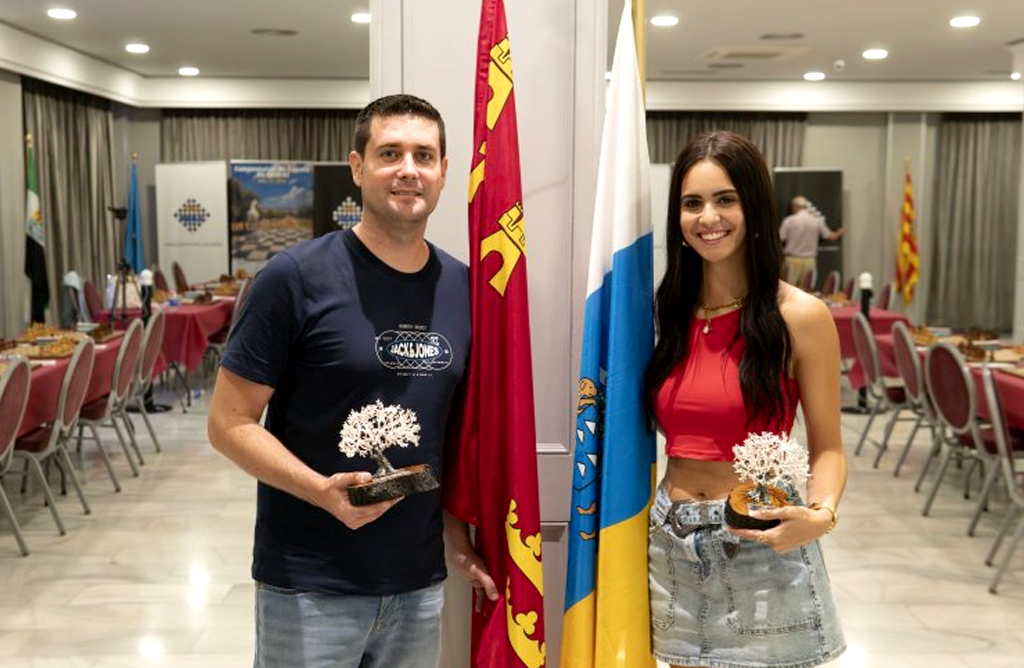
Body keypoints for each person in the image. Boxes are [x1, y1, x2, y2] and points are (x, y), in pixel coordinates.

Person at [207, 94, 496, 668]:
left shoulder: (466, 290)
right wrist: (322, 491)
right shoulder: (294, 278)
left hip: (417, 584)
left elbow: (450, 430)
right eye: (390, 153)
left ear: (444, 172)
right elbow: (227, 423)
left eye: (424, 155)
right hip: (310, 584)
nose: (408, 169)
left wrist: (455, 536)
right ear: (358, 167)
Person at [643, 131, 847, 668]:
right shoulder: (664, 315)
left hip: (762, 541)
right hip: (671, 542)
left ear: (753, 206)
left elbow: (829, 447)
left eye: (725, 199)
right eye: (692, 203)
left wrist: (822, 515)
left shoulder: (800, 316)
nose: (708, 217)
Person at [779, 195, 845, 288]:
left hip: (792, 260)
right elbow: (830, 236)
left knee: (789, 290)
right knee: (808, 290)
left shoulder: (789, 220)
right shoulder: (817, 221)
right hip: (809, 260)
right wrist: (839, 232)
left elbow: (780, 238)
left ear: (795, 206)